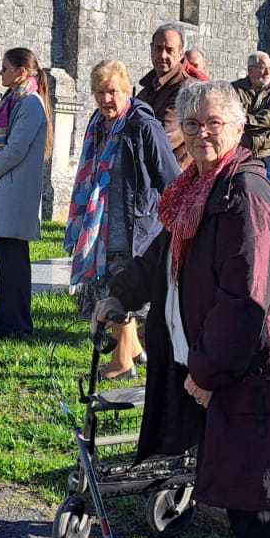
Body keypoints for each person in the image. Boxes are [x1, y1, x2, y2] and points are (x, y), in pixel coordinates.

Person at [98, 81, 270, 538]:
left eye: (213, 122)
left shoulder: (245, 196)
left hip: (252, 376)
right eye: (191, 125)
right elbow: (162, 257)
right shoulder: (200, 190)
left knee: (258, 503)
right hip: (224, 371)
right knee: (242, 497)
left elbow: (246, 299)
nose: (201, 133)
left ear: (238, 128)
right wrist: (117, 294)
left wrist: (210, 373)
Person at [64, 58, 180, 380]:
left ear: (127, 91)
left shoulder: (143, 124)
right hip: (102, 229)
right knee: (111, 292)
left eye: (112, 91)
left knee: (120, 291)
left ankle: (121, 362)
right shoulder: (97, 124)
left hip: (135, 227)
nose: (105, 99)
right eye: (99, 92)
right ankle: (127, 355)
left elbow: (170, 177)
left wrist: (168, 223)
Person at [0, 46, 53, 338]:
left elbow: (15, 150)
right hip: (7, 188)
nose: (1, 73)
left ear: (21, 72)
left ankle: (16, 324)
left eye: (5, 68)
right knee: (9, 262)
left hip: (15, 191)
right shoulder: (13, 99)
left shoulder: (29, 103)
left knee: (14, 263)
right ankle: (8, 322)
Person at [137, 23, 192, 168]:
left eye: (170, 50)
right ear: (151, 49)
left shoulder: (186, 89)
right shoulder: (148, 87)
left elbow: (163, 138)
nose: (162, 56)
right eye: (158, 48)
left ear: (181, 54)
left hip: (171, 176)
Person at [232, 51, 270, 188]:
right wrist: (266, 125)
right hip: (241, 153)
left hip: (267, 153)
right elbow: (230, 117)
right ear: (250, 69)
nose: (268, 72)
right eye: (263, 68)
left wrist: (244, 121)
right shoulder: (234, 89)